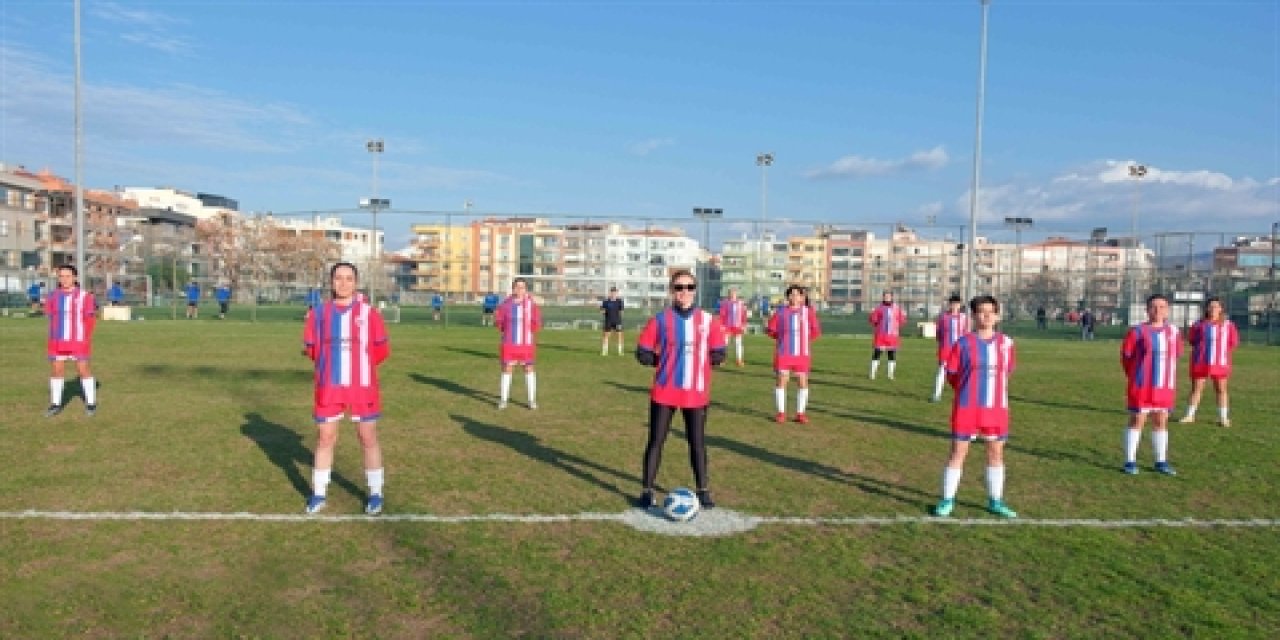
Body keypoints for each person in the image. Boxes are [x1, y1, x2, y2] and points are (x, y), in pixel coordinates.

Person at [302, 262, 391, 515]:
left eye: (349, 278)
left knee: (368, 437)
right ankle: (318, 492)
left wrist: (358, 367)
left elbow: (380, 351)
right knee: (325, 437)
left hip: (362, 387)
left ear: (356, 282)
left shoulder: (369, 313)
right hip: (329, 385)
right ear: (331, 282)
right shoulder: (318, 314)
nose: (343, 283)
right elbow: (312, 349)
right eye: (338, 278)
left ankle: (375, 493)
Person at [634, 269, 727, 509]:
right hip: (664, 391)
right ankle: (647, 490)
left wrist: (714, 358)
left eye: (689, 287)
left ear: (695, 291)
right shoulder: (660, 320)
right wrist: (659, 360)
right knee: (656, 441)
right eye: (679, 287)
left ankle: (703, 490)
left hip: (696, 392)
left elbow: (719, 352)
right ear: (671, 291)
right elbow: (642, 352)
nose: (684, 292)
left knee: (697, 442)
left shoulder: (708, 321)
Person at [931, 295, 1017, 519]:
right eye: (982, 311)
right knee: (958, 453)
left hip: (996, 409)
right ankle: (947, 500)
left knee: (995, 453)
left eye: (991, 311)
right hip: (967, 407)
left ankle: (995, 501)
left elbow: (1007, 371)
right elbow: (952, 374)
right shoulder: (963, 343)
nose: (987, 315)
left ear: (997, 316)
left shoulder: (1007, 344)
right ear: (974, 315)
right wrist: (968, 390)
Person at [1121, 294, 1182, 476]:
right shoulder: (1137, 331)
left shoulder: (1173, 332)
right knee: (1138, 420)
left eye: (1162, 307)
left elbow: (1176, 355)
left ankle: (1160, 461)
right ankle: (1130, 461)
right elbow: (1126, 357)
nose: (1158, 311)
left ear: (1167, 310)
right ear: (1147, 310)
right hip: (1142, 386)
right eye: (1154, 307)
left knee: (1161, 421)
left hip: (1164, 386)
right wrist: (1135, 377)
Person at [44, 265, 98, 417]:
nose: (64, 279)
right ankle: (55, 404)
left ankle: (91, 403)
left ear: (75, 278)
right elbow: (50, 316)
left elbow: (90, 320)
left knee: (83, 370)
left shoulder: (84, 296)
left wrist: (85, 338)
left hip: (78, 341)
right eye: (61, 276)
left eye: (68, 276)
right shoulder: (52, 296)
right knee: (57, 371)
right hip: (57, 340)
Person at [1178, 296, 1239, 427]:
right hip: (1201, 361)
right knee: (1196, 389)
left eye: (1216, 306)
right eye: (1210, 306)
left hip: (1220, 363)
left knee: (1221, 389)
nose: (1213, 309)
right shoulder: (1199, 324)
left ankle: (1223, 418)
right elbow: (1192, 340)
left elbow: (1233, 343)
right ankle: (1189, 415)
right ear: (1206, 308)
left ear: (1221, 308)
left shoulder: (1228, 325)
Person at [767, 285, 821, 424]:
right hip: (784, 352)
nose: (795, 297)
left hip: (802, 354)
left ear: (803, 297)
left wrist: (803, 341)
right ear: (788, 297)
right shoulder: (780, 312)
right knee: (781, 382)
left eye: (798, 294)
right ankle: (781, 413)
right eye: (792, 294)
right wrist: (782, 338)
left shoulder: (808, 312)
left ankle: (800, 414)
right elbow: (771, 330)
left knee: (803, 383)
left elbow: (815, 331)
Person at [495, 278, 541, 409]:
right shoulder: (505, 305)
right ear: (513, 288)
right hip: (509, 343)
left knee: (529, 369)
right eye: (517, 287)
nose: (520, 290)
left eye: (522, 287)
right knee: (507, 369)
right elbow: (500, 322)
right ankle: (503, 400)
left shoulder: (531, 304)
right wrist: (507, 331)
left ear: (526, 289)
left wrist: (529, 333)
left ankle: (531, 400)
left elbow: (536, 321)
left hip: (526, 344)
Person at [932, 295, 970, 403]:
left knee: (961, 373)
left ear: (960, 305)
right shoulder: (943, 317)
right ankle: (936, 395)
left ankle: (962, 395)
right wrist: (941, 344)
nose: (954, 306)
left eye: (957, 304)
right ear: (949, 304)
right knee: (942, 371)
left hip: (960, 350)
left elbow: (967, 334)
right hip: (946, 349)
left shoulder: (963, 318)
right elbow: (938, 333)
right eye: (953, 304)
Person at [868, 291, 906, 380]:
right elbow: (873, 320)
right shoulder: (879, 308)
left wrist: (901, 319)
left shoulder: (896, 308)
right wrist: (872, 315)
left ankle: (890, 375)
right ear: (883, 297)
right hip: (881, 335)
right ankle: (872, 373)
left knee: (891, 354)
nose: (887, 298)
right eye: (885, 296)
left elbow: (902, 320)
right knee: (877, 354)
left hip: (892, 336)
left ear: (892, 297)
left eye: (889, 296)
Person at [718, 288, 748, 366]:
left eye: (734, 293)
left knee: (738, 343)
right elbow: (722, 315)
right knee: (724, 343)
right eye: (731, 293)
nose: (732, 294)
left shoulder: (741, 303)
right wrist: (721, 325)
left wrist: (744, 325)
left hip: (738, 327)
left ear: (736, 294)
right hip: (727, 326)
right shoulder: (725, 303)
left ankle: (739, 360)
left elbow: (744, 315)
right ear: (729, 294)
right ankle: (722, 359)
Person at [600, 287, 625, 356]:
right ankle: (604, 351)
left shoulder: (619, 301)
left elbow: (622, 311)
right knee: (606, 336)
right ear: (610, 293)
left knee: (619, 336)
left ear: (616, 293)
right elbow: (602, 310)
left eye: (615, 292)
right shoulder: (606, 301)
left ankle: (620, 352)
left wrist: (619, 316)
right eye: (612, 292)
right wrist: (603, 311)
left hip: (617, 321)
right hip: (608, 321)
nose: (613, 293)